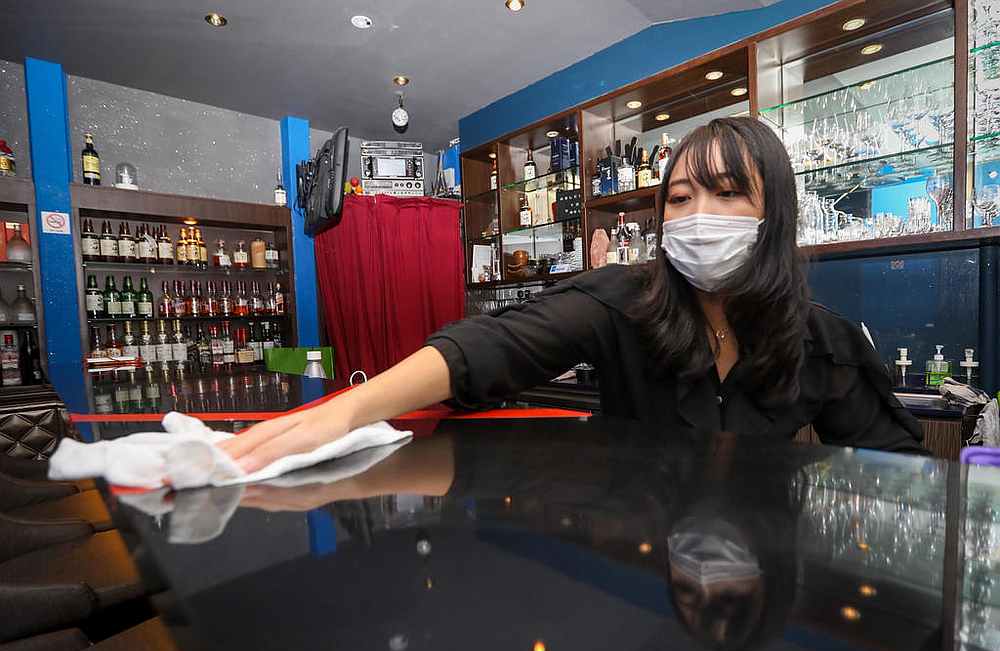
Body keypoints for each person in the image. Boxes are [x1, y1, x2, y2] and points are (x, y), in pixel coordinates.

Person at [221, 117, 926, 472]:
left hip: (763, 574)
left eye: (727, 192)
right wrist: (343, 414)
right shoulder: (626, 299)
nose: (697, 214)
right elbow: (492, 344)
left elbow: (900, 473)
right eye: (680, 196)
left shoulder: (819, 339)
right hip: (638, 565)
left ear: (775, 215)